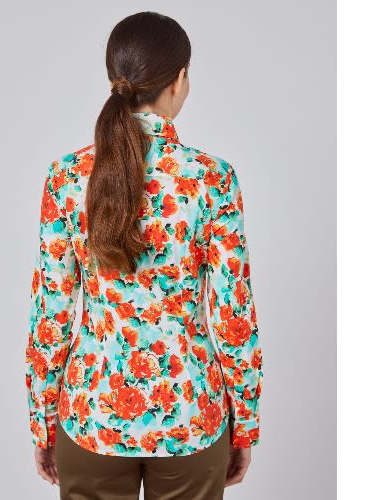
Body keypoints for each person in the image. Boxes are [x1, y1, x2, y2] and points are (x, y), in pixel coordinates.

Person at [25, 11, 263, 500]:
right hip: (191, 418)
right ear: (179, 79)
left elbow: (51, 313)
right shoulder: (212, 179)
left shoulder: (66, 178)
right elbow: (233, 315)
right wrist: (244, 425)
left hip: (91, 416)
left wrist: (43, 420)